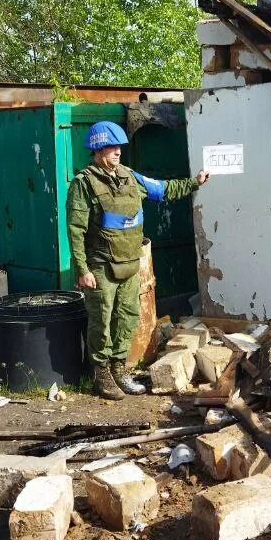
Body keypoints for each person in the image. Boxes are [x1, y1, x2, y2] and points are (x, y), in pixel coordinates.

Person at [66, 121, 209, 400]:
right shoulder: (84, 184)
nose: (118, 152)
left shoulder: (130, 177)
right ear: (97, 149)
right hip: (102, 266)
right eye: (112, 147)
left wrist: (194, 183)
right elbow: (75, 229)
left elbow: (162, 189)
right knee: (102, 320)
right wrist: (82, 269)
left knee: (128, 317)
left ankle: (120, 369)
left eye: (120, 147)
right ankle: (102, 374)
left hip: (131, 263)